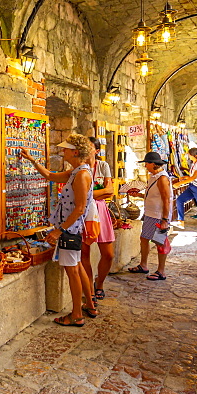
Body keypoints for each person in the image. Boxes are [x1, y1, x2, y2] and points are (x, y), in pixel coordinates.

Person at [19, 134, 97, 326]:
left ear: (75, 152)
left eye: (66, 149)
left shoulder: (81, 175)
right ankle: (90, 304)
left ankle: (76, 314)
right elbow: (50, 176)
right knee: (77, 267)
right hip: (71, 229)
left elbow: (79, 208)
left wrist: (60, 230)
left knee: (72, 272)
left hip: (69, 230)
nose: (63, 152)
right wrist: (32, 160)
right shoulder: (77, 172)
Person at [126, 151, 173, 280]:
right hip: (150, 214)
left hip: (158, 215)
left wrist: (164, 219)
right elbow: (154, 196)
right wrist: (139, 195)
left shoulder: (162, 178)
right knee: (144, 238)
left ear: (152, 164)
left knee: (160, 242)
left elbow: (166, 199)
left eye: (146, 164)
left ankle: (161, 271)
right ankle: (143, 265)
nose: (145, 166)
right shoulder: (154, 177)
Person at [83, 136, 115, 300]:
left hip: (100, 209)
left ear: (96, 150)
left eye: (89, 147)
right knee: (84, 253)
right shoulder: (79, 167)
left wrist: (89, 194)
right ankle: (88, 288)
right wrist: (98, 193)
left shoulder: (103, 166)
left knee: (108, 253)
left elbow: (110, 190)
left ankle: (99, 283)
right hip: (84, 210)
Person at [174, 147, 197, 236]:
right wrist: (184, 177)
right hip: (193, 187)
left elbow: (194, 177)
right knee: (180, 200)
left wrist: (180, 183)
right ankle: (181, 220)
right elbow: (193, 176)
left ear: (194, 155)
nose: (188, 156)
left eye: (189, 154)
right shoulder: (194, 164)